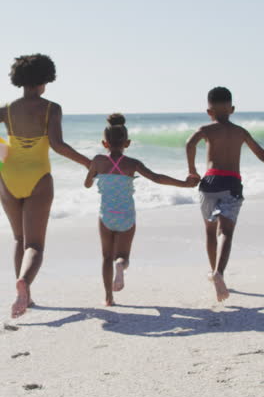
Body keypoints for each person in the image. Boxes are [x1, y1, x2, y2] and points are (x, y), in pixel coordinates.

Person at [0, 54, 91, 318]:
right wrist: (87, 163)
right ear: (45, 79)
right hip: (38, 176)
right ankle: (24, 284)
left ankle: (24, 294)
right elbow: (58, 145)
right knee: (35, 245)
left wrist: (3, 149)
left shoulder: (6, 110)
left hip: (8, 176)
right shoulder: (51, 108)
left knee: (19, 238)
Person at [85, 113, 198, 306]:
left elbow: (87, 184)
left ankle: (108, 297)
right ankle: (121, 265)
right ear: (127, 143)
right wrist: (185, 184)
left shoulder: (98, 161)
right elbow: (157, 178)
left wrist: (94, 173)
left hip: (106, 216)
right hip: (127, 215)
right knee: (123, 256)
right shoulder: (132, 163)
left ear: (104, 143)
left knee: (106, 257)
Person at [186, 86, 264, 302]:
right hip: (231, 182)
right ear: (232, 109)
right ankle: (220, 272)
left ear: (209, 112)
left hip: (209, 181)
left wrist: (192, 170)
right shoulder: (240, 132)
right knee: (226, 233)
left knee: (210, 232)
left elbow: (189, 143)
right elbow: (262, 156)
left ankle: (213, 272)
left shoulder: (206, 129)